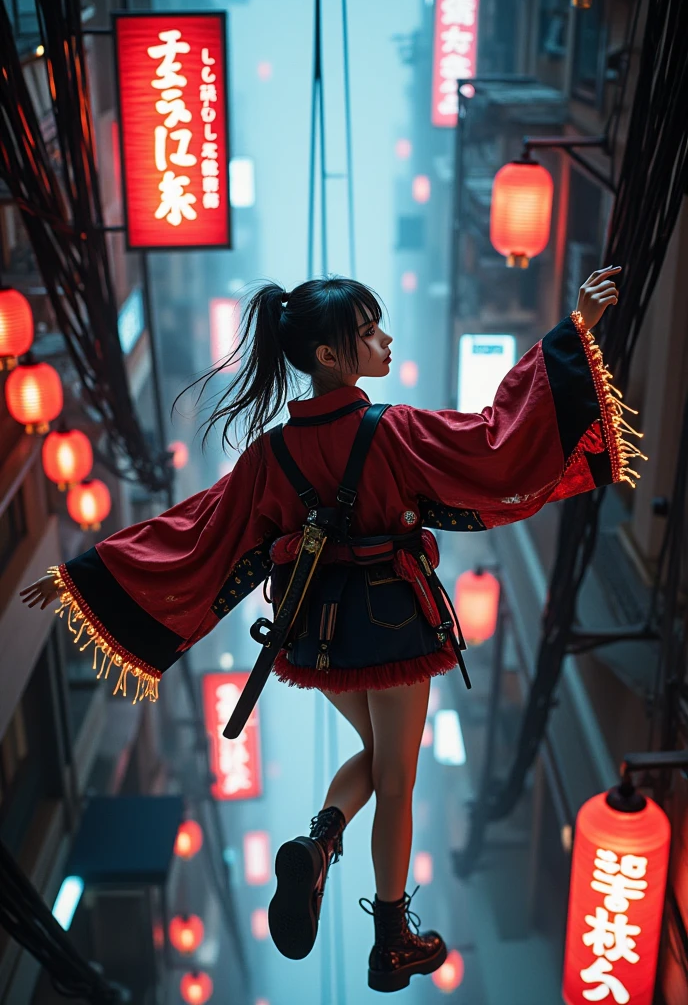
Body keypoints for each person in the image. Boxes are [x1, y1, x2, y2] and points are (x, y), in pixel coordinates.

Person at [21, 267, 642, 994]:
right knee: (399, 778)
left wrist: (91, 574)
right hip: (395, 620)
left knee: (378, 755)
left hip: (316, 635)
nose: (385, 339)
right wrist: (573, 335)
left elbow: (196, 532)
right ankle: (391, 937)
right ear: (327, 356)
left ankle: (319, 847)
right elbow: (493, 442)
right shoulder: (394, 430)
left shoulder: (270, 456)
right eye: (368, 331)